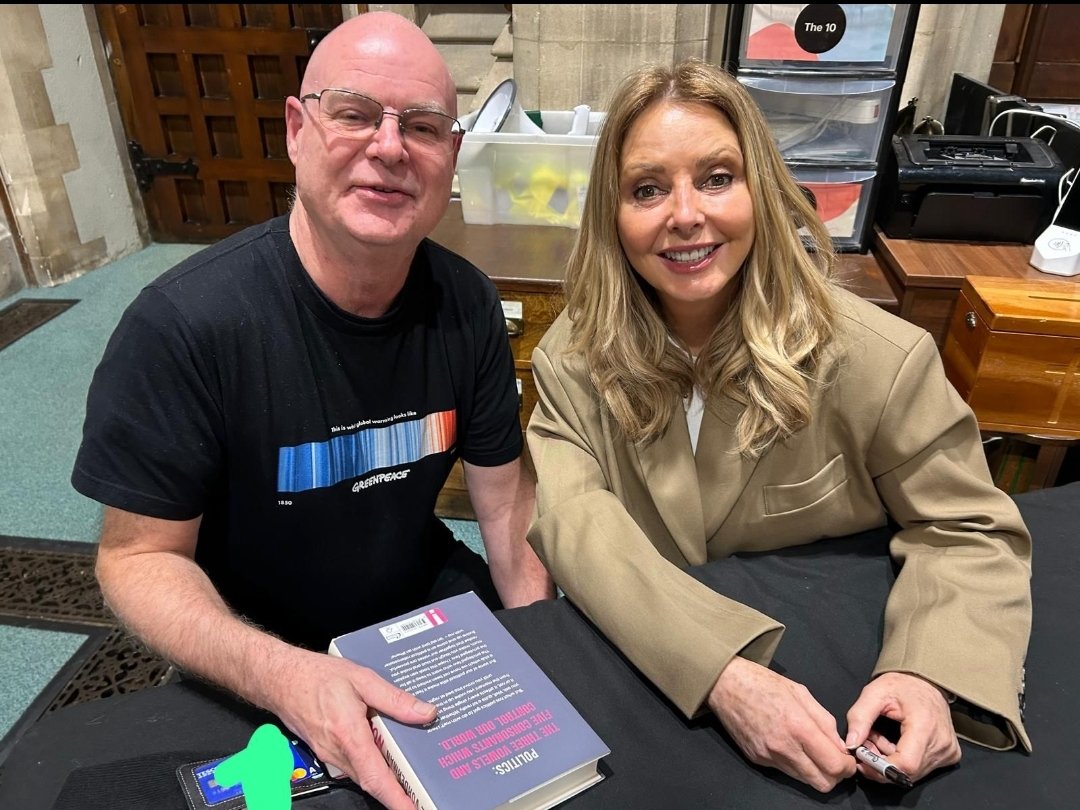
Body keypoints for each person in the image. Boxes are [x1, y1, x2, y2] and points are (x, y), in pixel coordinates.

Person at [71, 12, 553, 810]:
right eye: (355, 114)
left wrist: (546, 649)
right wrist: (287, 674)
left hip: (415, 607)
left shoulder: (466, 303)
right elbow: (135, 561)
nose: (390, 149)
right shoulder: (184, 326)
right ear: (297, 129)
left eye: (424, 127)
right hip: (247, 638)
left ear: (452, 156)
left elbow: (506, 508)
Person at [526, 58, 1032, 794]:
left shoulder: (879, 360)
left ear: (761, 188)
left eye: (716, 177)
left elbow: (968, 531)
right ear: (612, 216)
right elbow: (576, 525)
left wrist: (926, 674)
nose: (685, 214)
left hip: (836, 682)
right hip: (649, 682)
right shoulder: (571, 358)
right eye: (646, 189)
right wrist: (724, 675)